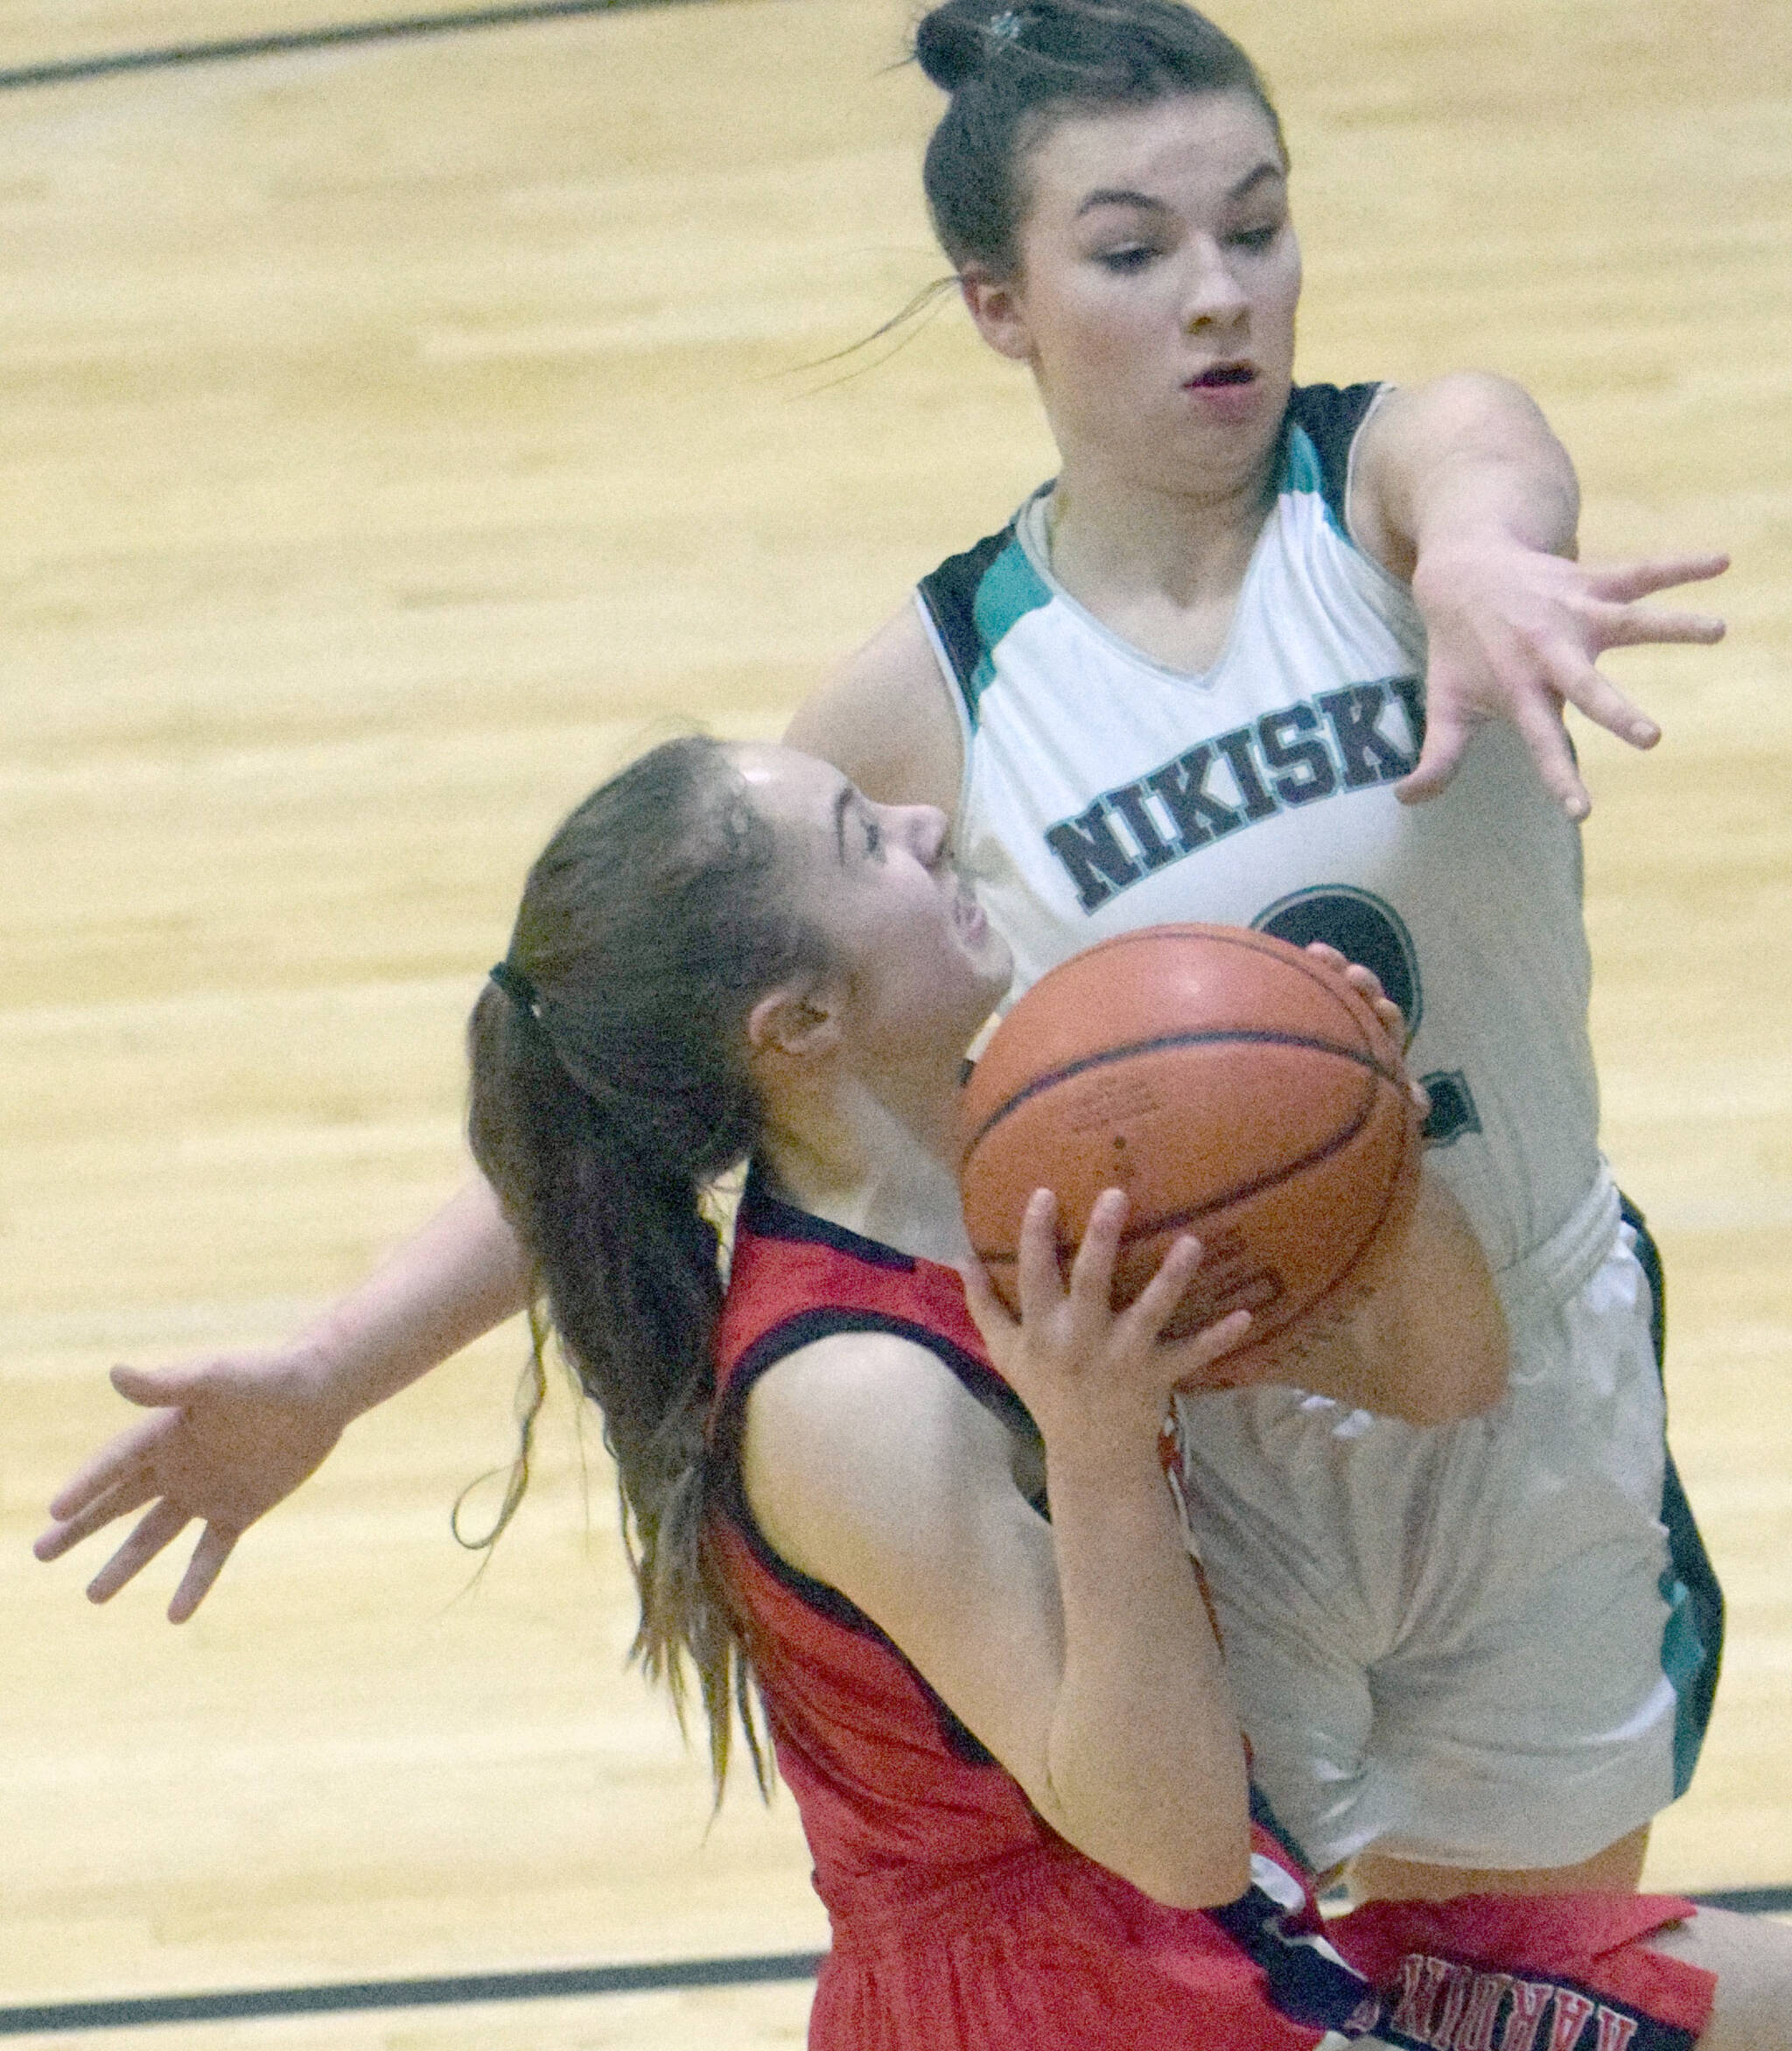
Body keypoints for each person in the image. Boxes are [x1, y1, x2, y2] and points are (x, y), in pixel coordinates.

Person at [38, 0, 1733, 1908]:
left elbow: (1486, 463)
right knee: (1296, 1997)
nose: (1215, 297)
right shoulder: (930, 696)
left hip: (1504, 1364)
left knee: (1535, 1986)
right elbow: (643, 1055)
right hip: (1194, 1436)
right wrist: (337, 1366)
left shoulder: (1386, 491)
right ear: (997, 302)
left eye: (1256, 227)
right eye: (1131, 249)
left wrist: (1495, 558)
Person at [76, 735, 1788, 2048]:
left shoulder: (1045, 1134)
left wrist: (1369, 1136)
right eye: (859, 835)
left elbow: (1442, 1374)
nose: (919, 822)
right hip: (1096, 1984)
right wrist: (1105, 1444)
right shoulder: (850, 1401)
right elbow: (1171, 1836)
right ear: (799, 1023)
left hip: (1179, 1910)